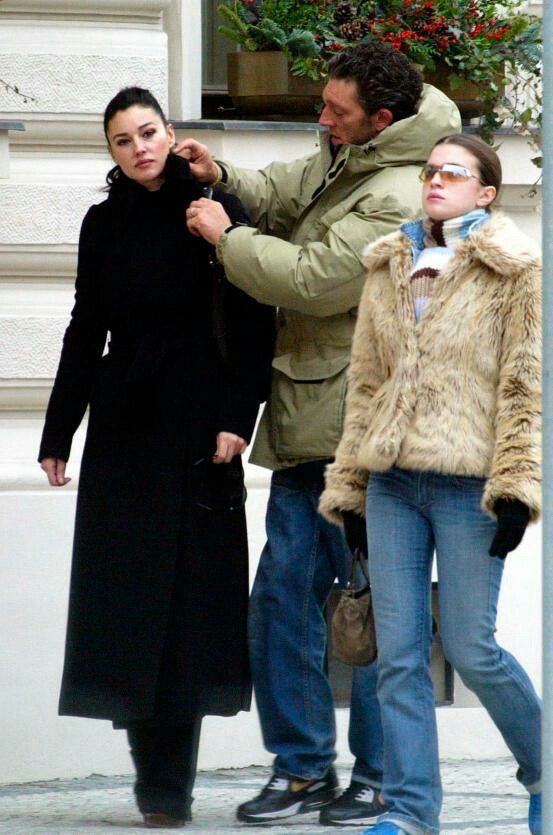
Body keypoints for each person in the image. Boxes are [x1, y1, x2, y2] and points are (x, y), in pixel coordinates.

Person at [180, 42, 462, 827]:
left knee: (368, 609)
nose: (321, 117)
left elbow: (314, 280)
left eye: (335, 111)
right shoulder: (344, 152)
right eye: (323, 106)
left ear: (381, 119)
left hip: (364, 435)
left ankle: (373, 773)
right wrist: (222, 178)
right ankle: (302, 767)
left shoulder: (400, 188)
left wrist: (221, 237)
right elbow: (278, 193)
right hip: (309, 424)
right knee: (281, 603)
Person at [38, 86, 274, 829]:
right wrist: (56, 431)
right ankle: (153, 778)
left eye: (148, 132)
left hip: (201, 430)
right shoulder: (102, 223)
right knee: (128, 602)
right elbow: (85, 327)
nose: (139, 147)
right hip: (123, 429)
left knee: (189, 609)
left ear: (170, 134)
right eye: (121, 139)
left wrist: (238, 418)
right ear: (110, 152)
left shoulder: (212, 211)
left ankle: (171, 783)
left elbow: (254, 319)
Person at [319, 134, 542, 835]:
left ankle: (541, 771)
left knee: (473, 649)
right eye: (430, 170)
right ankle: (412, 812)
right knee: (398, 656)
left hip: (468, 486)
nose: (435, 180)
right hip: (391, 483)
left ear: (485, 192)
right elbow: (365, 384)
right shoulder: (388, 262)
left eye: (454, 172)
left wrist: (514, 484)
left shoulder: (515, 270)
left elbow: (524, 383)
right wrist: (350, 487)